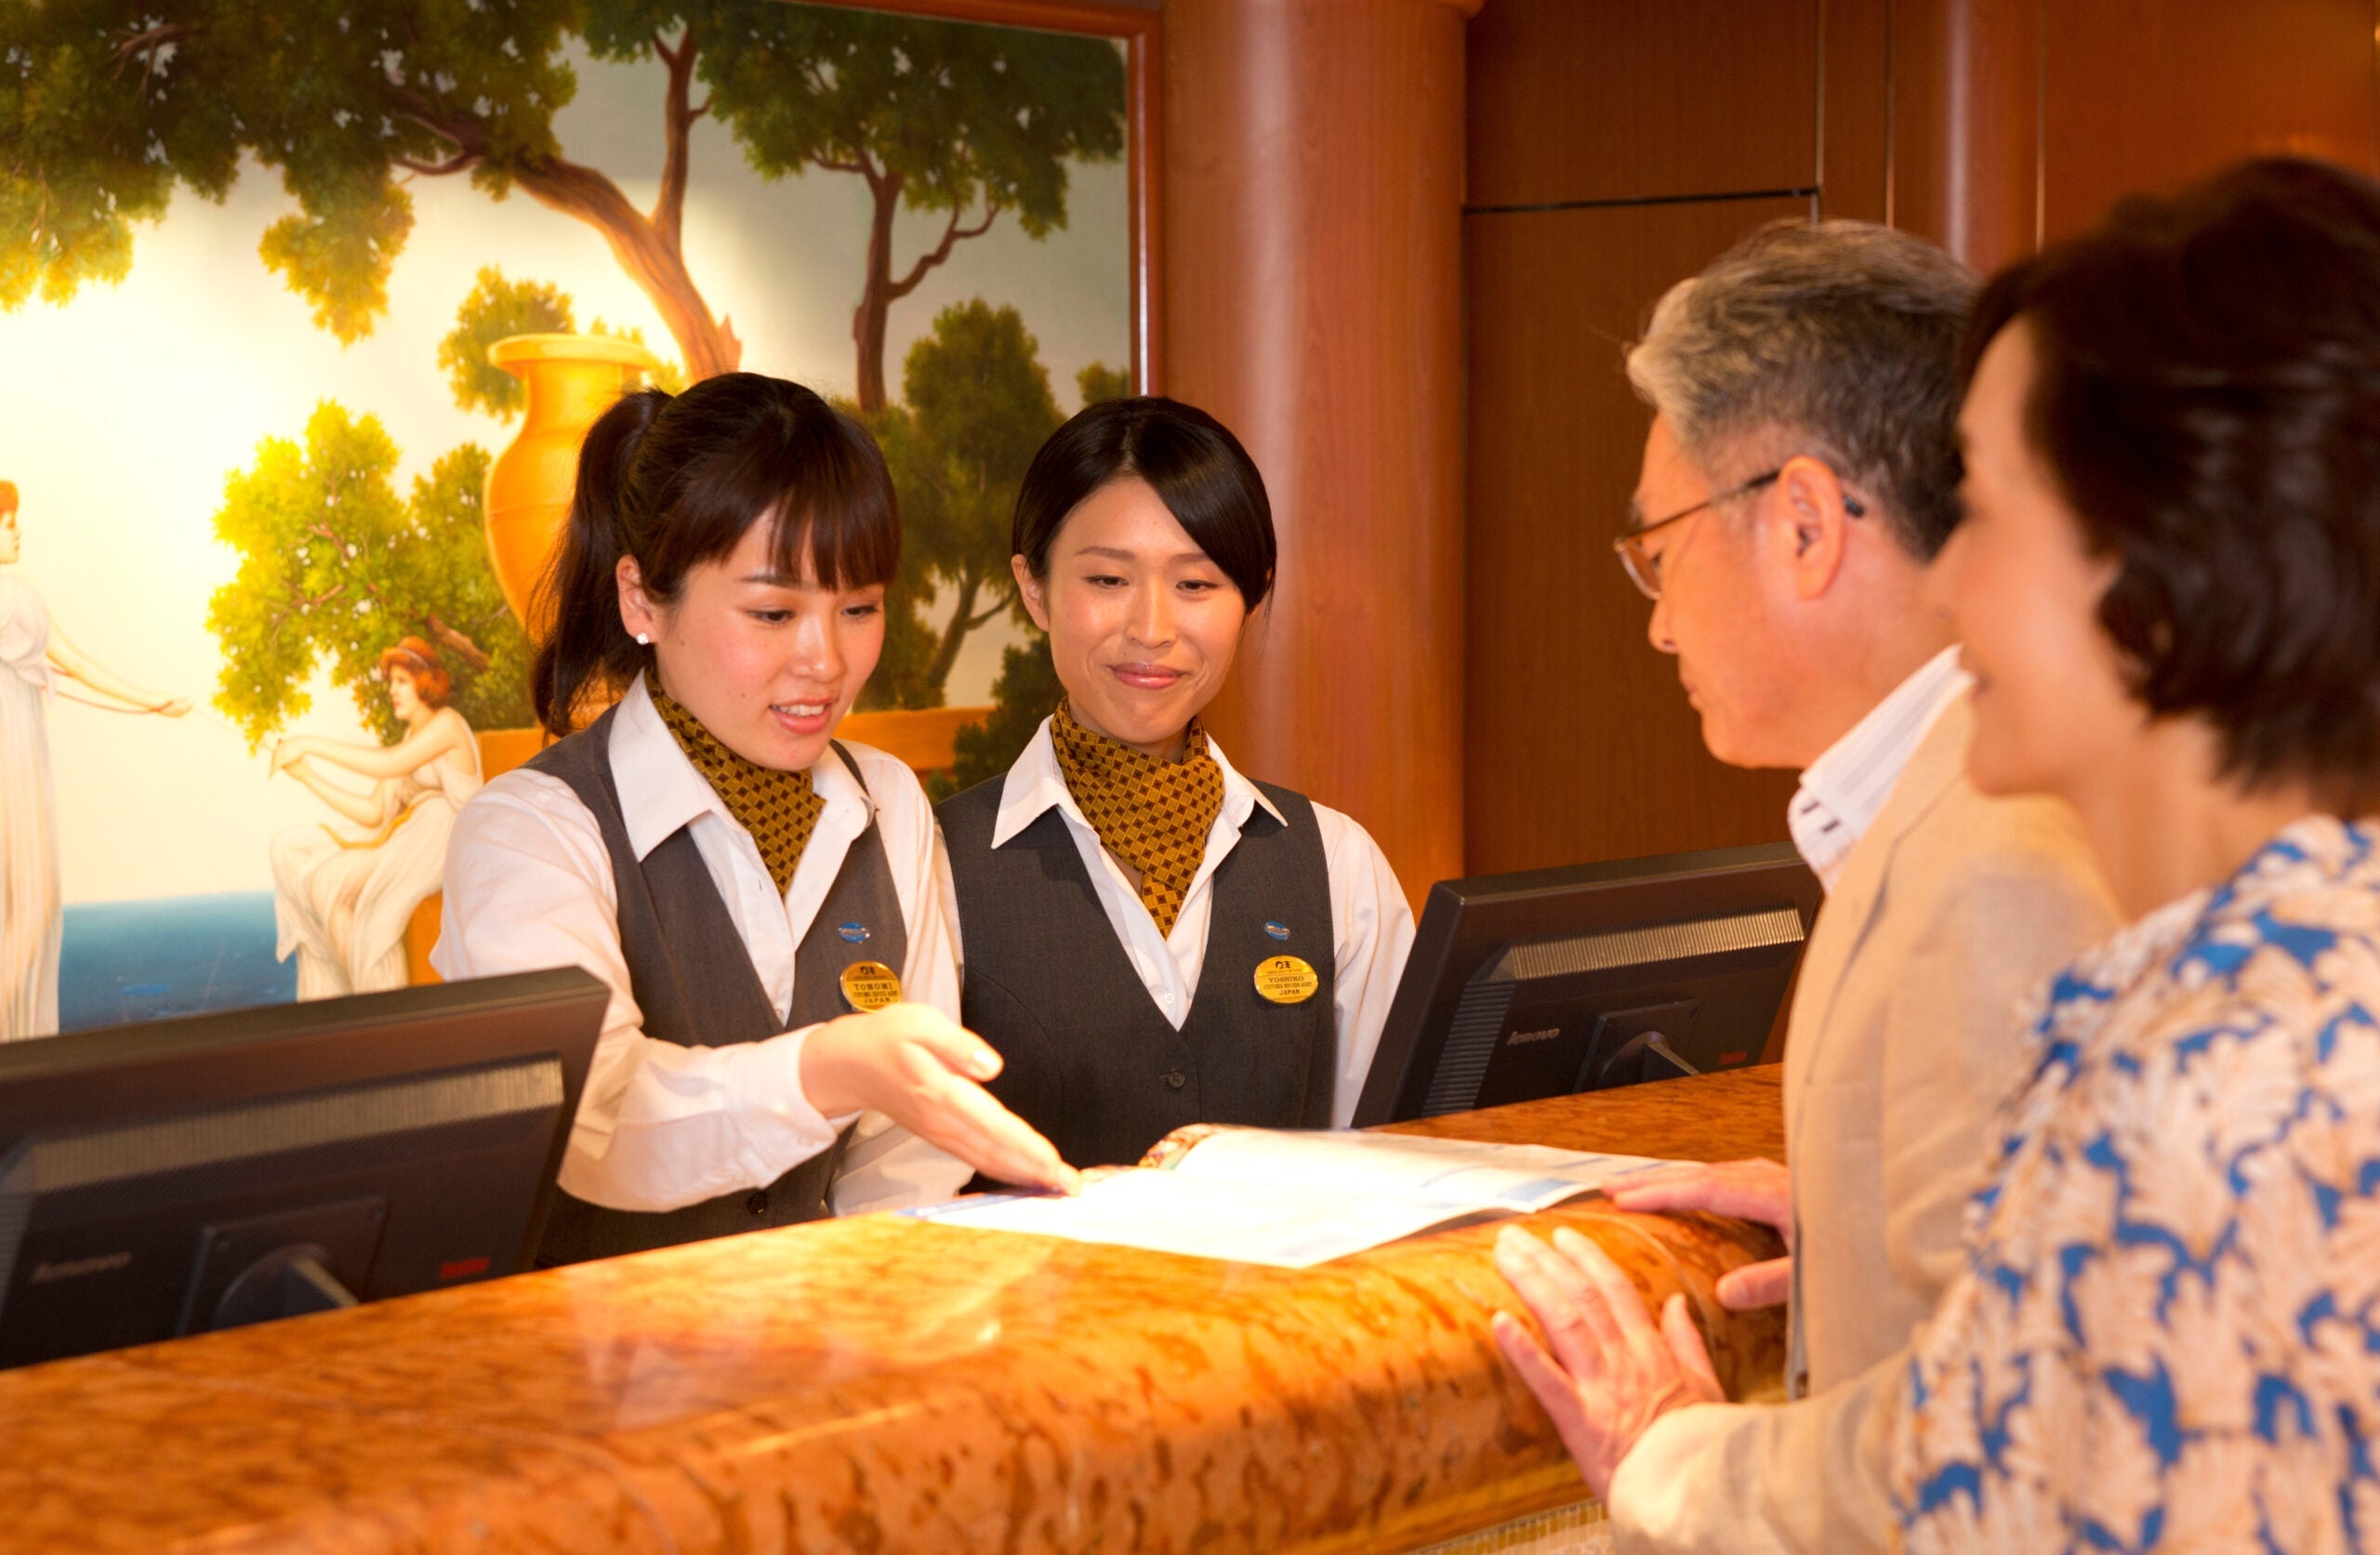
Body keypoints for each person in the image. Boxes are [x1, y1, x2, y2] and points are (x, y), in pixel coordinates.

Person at [1498, 158, 2380, 1551]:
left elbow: (1984, 1487)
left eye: (2001, 513)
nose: (1954, 578)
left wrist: (1672, 1459)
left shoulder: (2212, 1068)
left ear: (2159, 568)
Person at [1491, 221, 2117, 1551]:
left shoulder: (2001, 846)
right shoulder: (1946, 800)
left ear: (1805, 522)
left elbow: (2014, 1454)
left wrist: (1678, 1456)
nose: (1656, 618)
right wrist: (1857, 1204)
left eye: (1658, 549)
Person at [433, 372, 1074, 1266]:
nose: (826, 660)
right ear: (640, 600)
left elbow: (903, 1156)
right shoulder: (530, 831)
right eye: (773, 611)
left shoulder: (888, 803)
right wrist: (828, 1067)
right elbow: (595, 1124)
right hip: (599, 1376)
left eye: (860, 608)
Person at [935, 396, 1414, 1170]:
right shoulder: (930, 866)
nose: (1153, 628)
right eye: (1107, 578)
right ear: (1033, 588)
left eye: (1196, 585)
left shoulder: (1337, 862)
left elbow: (1398, 1153)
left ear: (1251, 594)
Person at [0, 481, 192, 1041]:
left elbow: (70, 666)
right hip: (12, 757)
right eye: (7, 520)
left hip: (15, 750)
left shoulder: (18, 592)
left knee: (20, 909)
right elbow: (77, 663)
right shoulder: (17, 594)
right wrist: (150, 700)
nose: (17, 529)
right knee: (30, 910)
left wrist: (147, 702)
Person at [269, 637, 482, 999]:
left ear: (425, 682)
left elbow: (388, 763)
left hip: (447, 837)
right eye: (391, 682)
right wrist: (307, 775)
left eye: (401, 681)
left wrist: (308, 742)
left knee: (353, 897)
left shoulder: (448, 724)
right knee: (322, 883)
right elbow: (372, 812)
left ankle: (379, 1003)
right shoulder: (410, 736)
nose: (393, 691)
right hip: (415, 837)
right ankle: (363, 998)